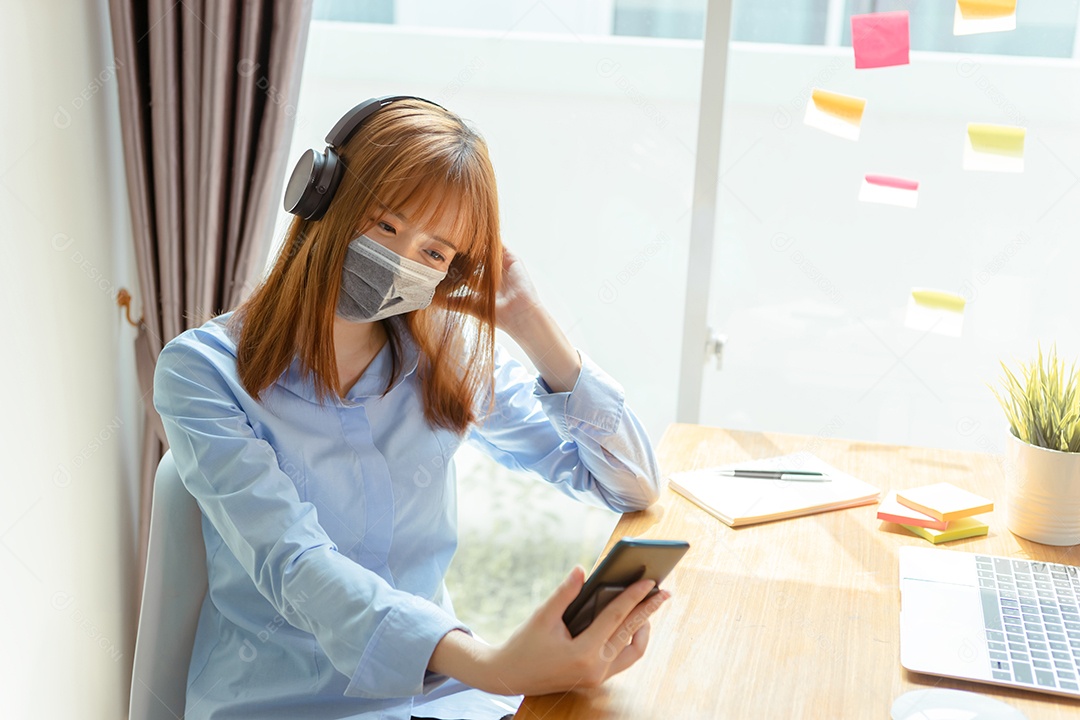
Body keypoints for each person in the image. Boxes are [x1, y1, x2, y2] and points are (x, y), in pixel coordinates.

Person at [153, 96, 668, 720]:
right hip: (282, 701)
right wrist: (492, 665)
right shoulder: (201, 372)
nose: (401, 260)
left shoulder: (442, 353)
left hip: (438, 693)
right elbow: (295, 564)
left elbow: (631, 483)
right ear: (320, 199)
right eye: (387, 224)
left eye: (435, 253)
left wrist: (532, 324)